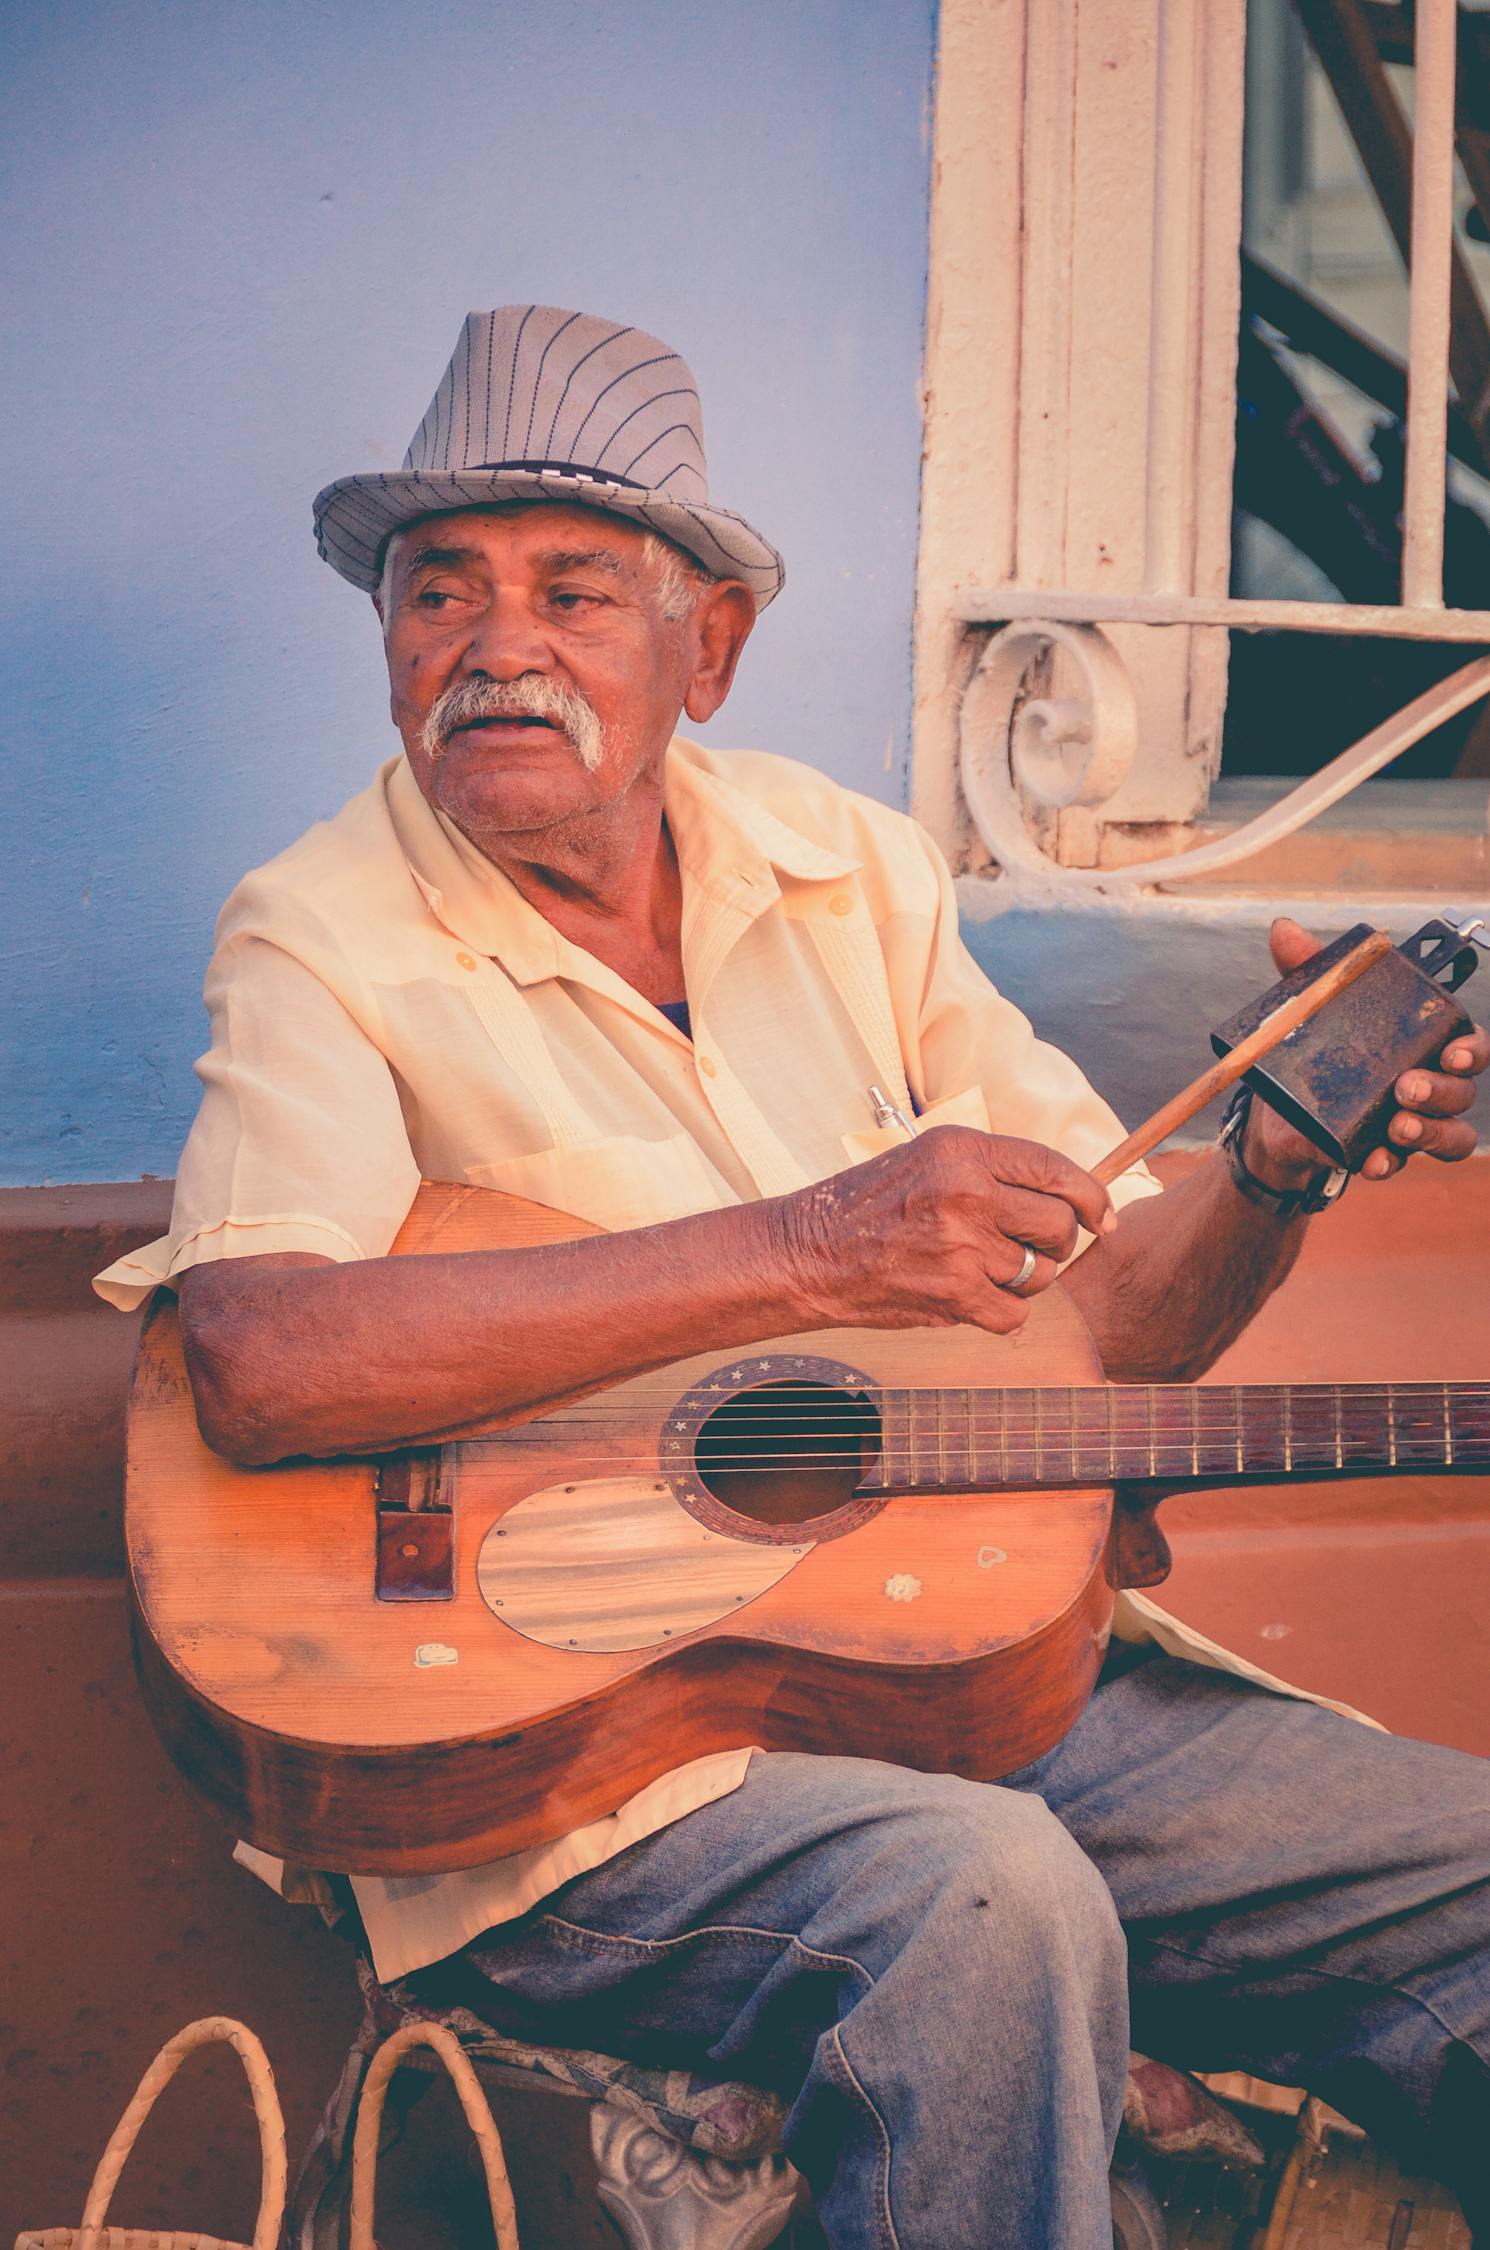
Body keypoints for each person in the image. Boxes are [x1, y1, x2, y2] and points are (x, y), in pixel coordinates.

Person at [96, 308, 1490, 2247]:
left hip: (972, 1688)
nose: (497, 648)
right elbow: (258, 1357)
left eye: (573, 591)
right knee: (982, 1899)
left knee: (1462, 1866)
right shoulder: (321, 930)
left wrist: (1269, 1165)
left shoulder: (850, 867)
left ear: (709, 646)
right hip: (571, 1781)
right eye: (440, 594)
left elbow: (1103, 1354)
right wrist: (810, 1246)